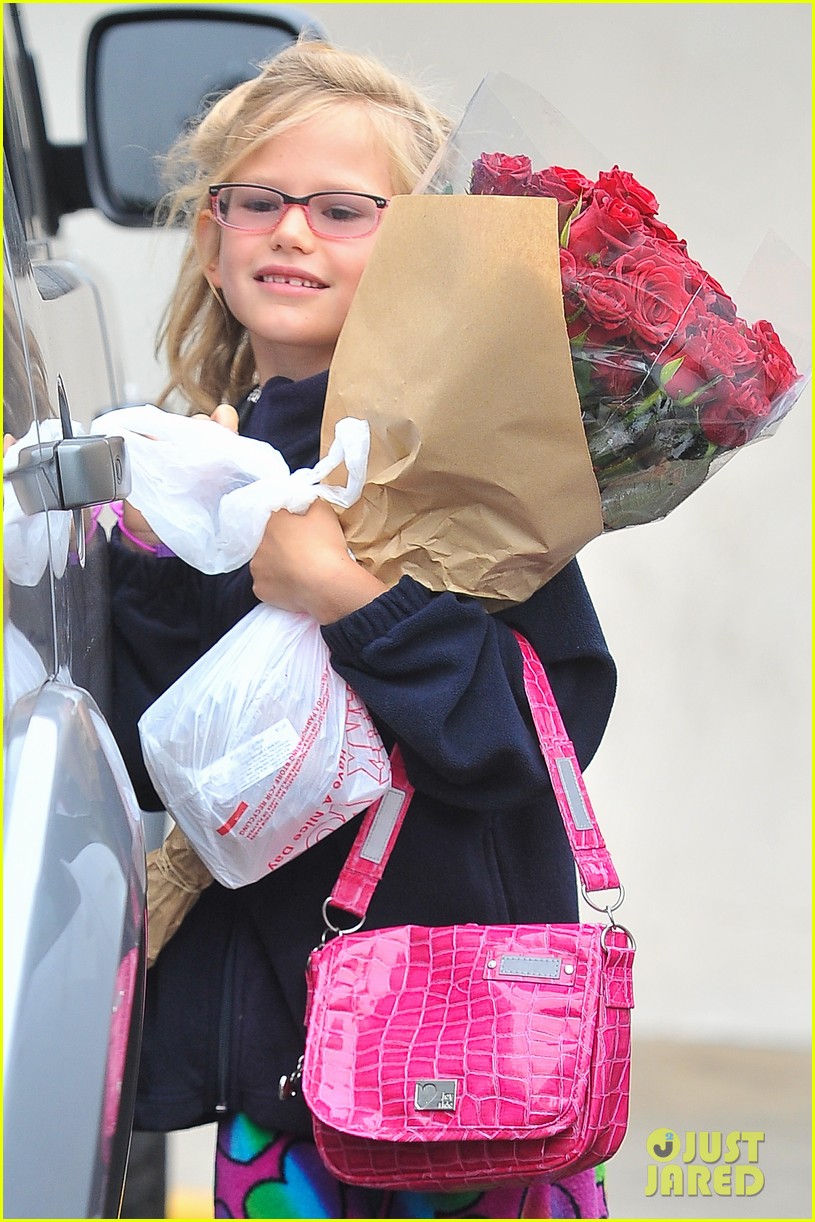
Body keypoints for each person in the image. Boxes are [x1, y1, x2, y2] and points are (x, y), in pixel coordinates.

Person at [111, 38, 617, 1220]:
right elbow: (155, 754)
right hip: (285, 1087)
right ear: (210, 235)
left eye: (343, 210)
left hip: (468, 1063)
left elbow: (522, 745)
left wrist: (349, 594)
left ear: (419, 258)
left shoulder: (470, 480)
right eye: (258, 203)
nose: (291, 232)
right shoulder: (192, 470)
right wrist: (133, 560)